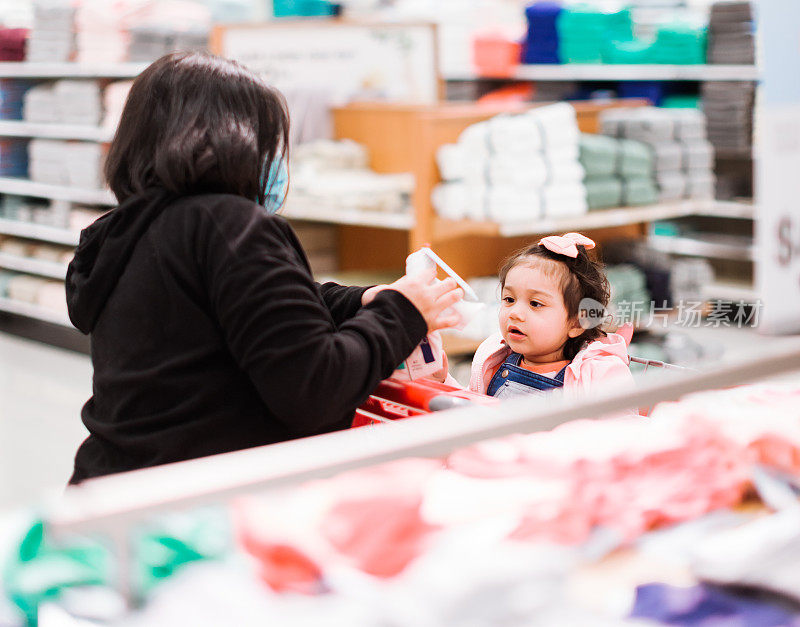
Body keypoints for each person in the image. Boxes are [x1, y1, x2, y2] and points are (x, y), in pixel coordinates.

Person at [65, 52, 463, 484]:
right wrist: (401, 313)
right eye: (270, 143)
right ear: (232, 142)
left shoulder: (124, 230)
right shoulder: (229, 224)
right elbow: (317, 388)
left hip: (117, 486)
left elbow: (251, 304)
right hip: (201, 502)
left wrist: (360, 300)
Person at [467, 233, 633, 399]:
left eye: (535, 304)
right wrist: (443, 380)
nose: (515, 313)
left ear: (577, 323)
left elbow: (621, 423)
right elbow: (469, 407)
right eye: (509, 299)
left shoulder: (597, 376)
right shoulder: (494, 361)